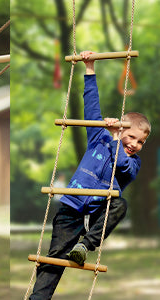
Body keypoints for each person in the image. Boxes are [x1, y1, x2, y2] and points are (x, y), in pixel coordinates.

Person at [29, 51, 151, 300]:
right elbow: (91, 105)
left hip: (98, 212)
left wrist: (117, 138)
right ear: (120, 126)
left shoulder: (133, 162)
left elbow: (122, 166)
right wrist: (89, 67)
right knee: (54, 259)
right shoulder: (99, 138)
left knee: (120, 204)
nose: (135, 144)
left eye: (141, 142)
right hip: (71, 209)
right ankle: (38, 298)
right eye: (131, 136)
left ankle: (85, 245)